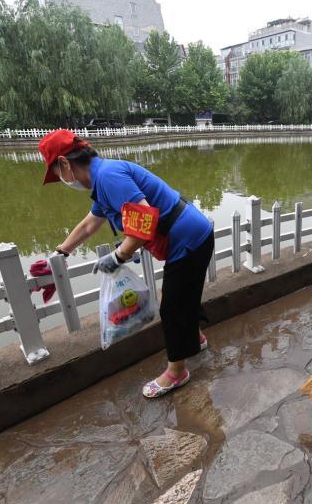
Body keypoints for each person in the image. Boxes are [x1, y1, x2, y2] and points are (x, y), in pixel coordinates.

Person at [37, 129, 214, 399]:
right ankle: (195, 340)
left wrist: (118, 256)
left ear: (64, 163)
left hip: (188, 239)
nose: (62, 180)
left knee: (172, 307)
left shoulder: (108, 177)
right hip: (189, 235)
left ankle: (177, 372)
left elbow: (144, 221)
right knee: (181, 295)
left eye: (57, 173)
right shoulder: (102, 180)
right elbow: (89, 224)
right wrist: (61, 252)